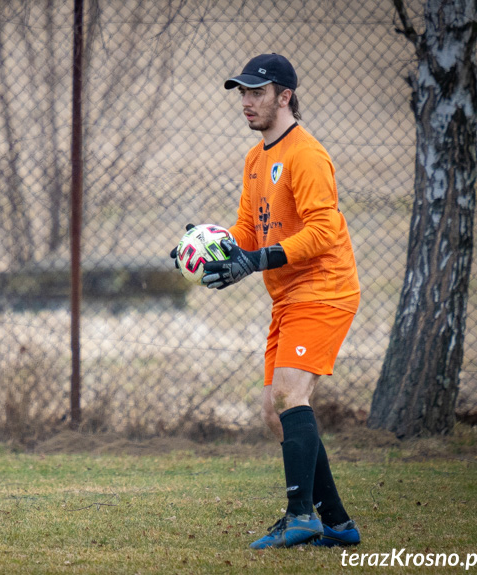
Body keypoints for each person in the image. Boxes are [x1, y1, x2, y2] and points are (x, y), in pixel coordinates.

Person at [173, 53, 362, 549]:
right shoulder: (256, 159)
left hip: (324, 289)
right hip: (289, 295)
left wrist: (255, 261)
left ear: (285, 96)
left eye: (257, 92)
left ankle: (300, 515)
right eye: (242, 92)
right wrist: (206, 246)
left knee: (287, 399)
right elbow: (245, 231)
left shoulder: (307, 155)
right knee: (274, 414)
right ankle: (338, 523)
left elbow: (324, 231)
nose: (246, 102)